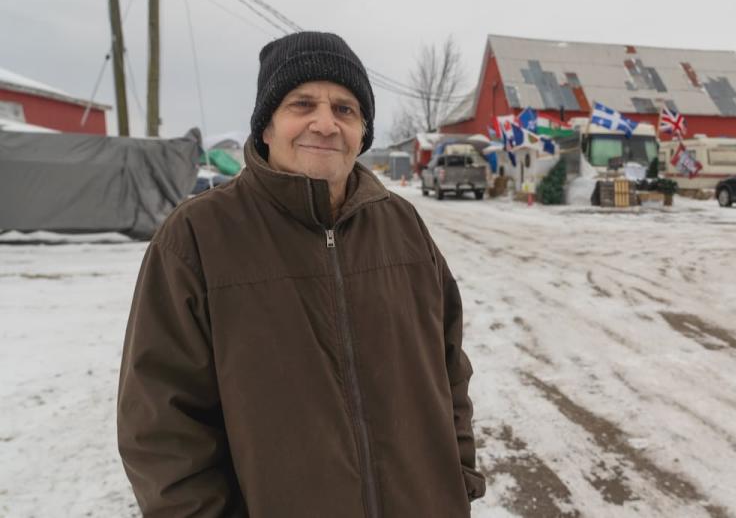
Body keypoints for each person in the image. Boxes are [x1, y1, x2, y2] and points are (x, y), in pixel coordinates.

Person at [117, 31, 485, 517]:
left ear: (362, 133)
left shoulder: (402, 226)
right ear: (267, 127)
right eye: (302, 104)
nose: (325, 124)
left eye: (345, 109)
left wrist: (457, 478)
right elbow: (161, 425)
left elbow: (449, 366)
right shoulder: (197, 237)